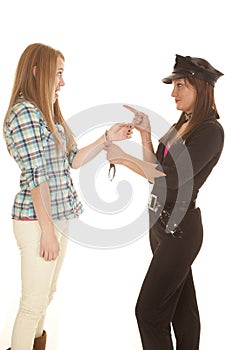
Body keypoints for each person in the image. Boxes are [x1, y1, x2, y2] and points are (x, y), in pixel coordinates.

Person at [2, 43, 133, 350]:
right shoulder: (24, 114)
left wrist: (106, 139)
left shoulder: (49, 115)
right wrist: (47, 230)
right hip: (37, 221)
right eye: (58, 73)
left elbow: (72, 160)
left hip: (57, 217)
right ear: (37, 72)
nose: (62, 82)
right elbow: (37, 177)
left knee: (45, 296)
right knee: (32, 303)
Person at [104, 54, 224, 349]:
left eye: (180, 85)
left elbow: (169, 178)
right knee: (183, 312)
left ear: (200, 88)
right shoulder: (178, 126)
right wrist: (145, 136)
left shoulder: (210, 131)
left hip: (180, 230)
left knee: (148, 313)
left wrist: (123, 158)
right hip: (159, 227)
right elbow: (154, 169)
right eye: (174, 85)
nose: (173, 92)